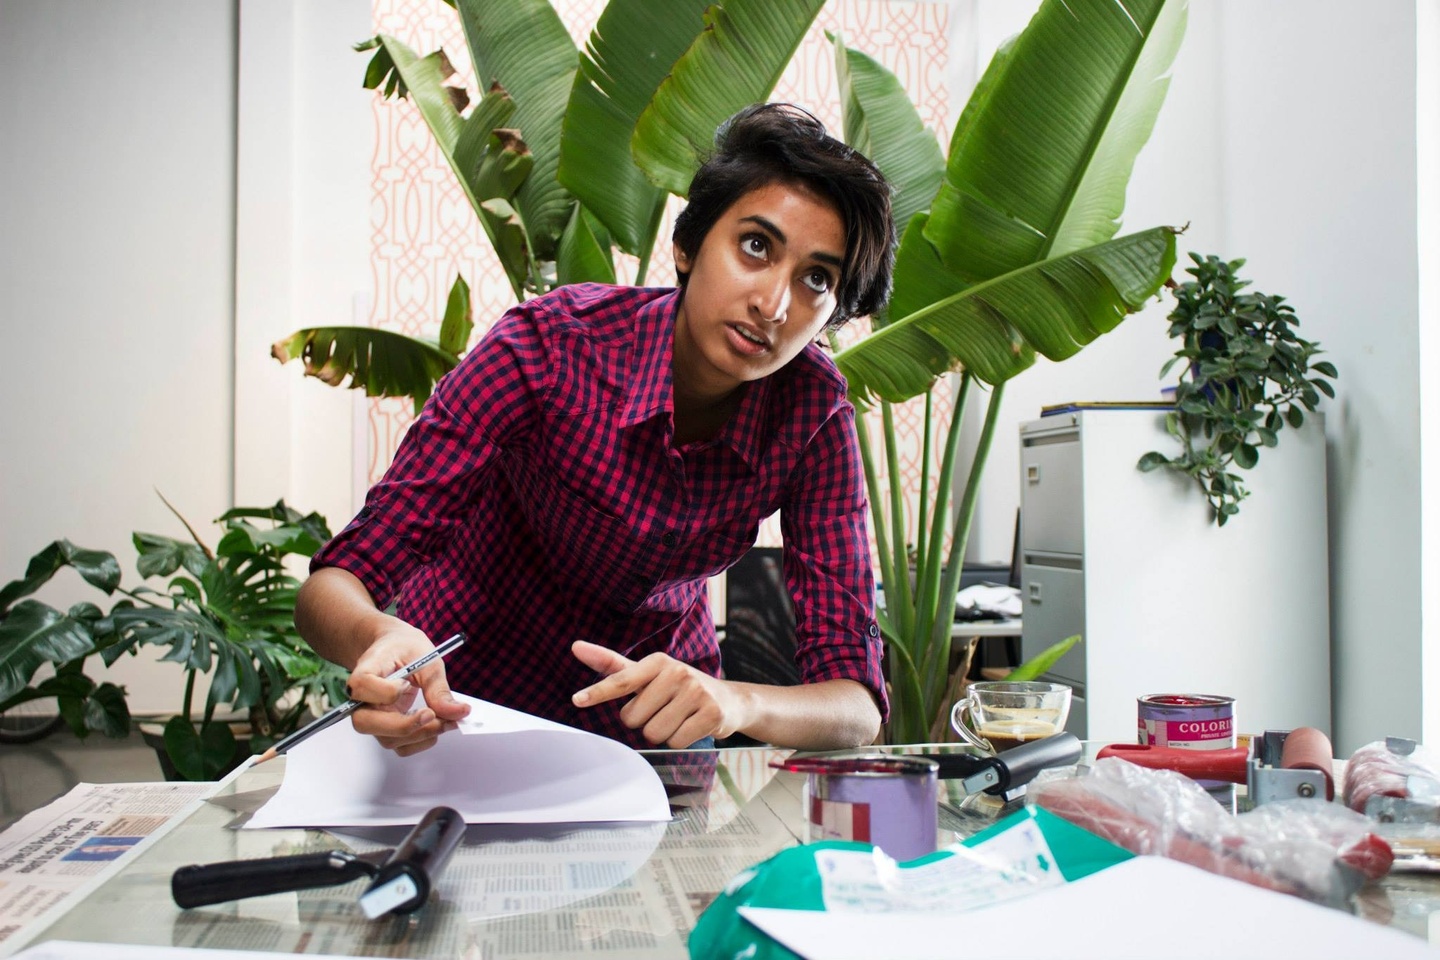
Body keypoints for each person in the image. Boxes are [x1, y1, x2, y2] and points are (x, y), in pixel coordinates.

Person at [295, 103, 895, 755]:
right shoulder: (546, 347)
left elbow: (857, 706)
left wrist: (735, 699)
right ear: (687, 245)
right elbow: (333, 584)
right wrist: (376, 638)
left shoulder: (814, 408)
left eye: (816, 279)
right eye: (756, 246)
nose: (775, 304)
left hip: (653, 723)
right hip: (458, 698)